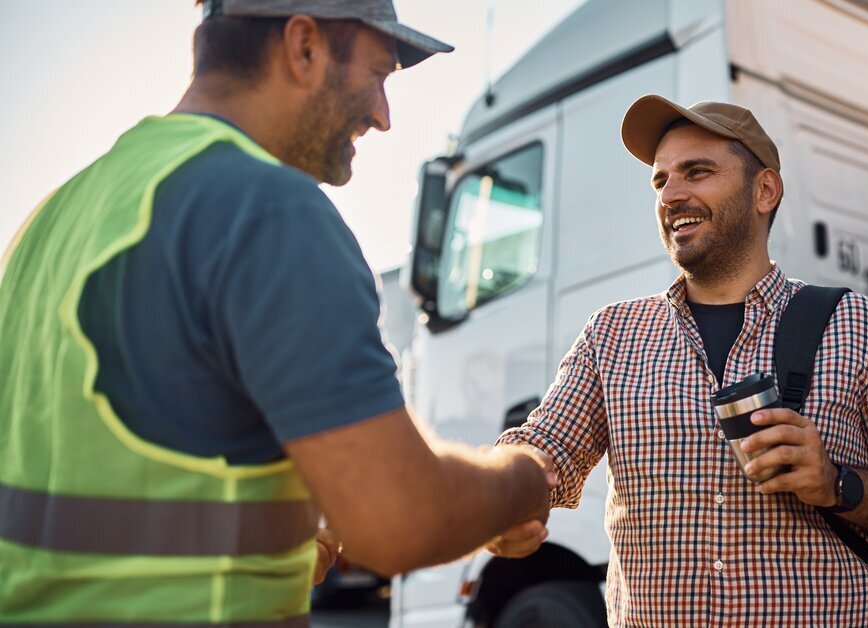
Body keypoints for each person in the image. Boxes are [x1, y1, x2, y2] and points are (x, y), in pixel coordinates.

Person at [0, 1, 554, 624]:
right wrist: (525, 478)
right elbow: (400, 521)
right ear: (304, 47)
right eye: (378, 74)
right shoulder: (265, 207)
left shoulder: (49, 220)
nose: (383, 116)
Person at [489, 95, 868, 625]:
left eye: (696, 172)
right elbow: (542, 448)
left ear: (764, 190)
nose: (671, 195)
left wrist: (838, 483)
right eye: (660, 181)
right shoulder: (612, 334)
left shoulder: (856, 325)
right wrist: (500, 497)